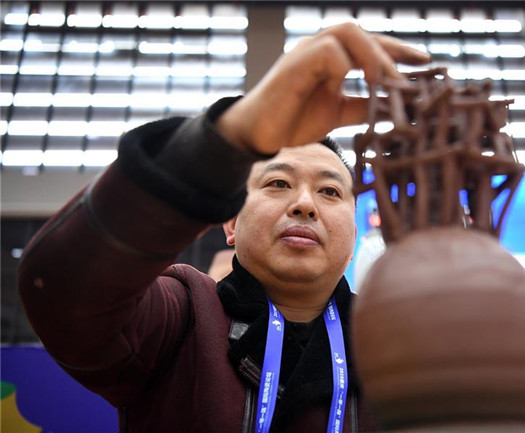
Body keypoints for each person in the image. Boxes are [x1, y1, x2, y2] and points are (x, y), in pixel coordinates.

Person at [18, 23, 430, 432]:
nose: (305, 204)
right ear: (231, 223)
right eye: (278, 183)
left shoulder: (397, 346)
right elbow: (63, 290)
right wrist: (231, 137)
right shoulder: (182, 316)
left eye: (329, 191)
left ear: (353, 237)